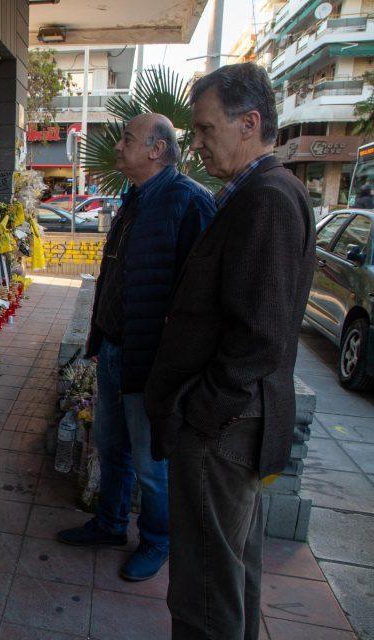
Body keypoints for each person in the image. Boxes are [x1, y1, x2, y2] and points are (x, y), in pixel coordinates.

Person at [144, 63, 316, 639]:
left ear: (249, 123)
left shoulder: (267, 198)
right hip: (229, 423)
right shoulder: (257, 192)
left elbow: (260, 336)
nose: (195, 144)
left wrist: (201, 411)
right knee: (228, 574)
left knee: (205, 589)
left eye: (205, 128)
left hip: (225, 428)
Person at [57, 113, 215, 582]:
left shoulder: (188, 201)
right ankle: (109, 525)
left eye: (128, 139)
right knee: (112, 447)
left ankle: (156, 541)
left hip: (151, 360)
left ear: (157, 150)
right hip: (112, 349)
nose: (118, 146)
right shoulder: (135, 198)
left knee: (150, 463)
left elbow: (201, 293)